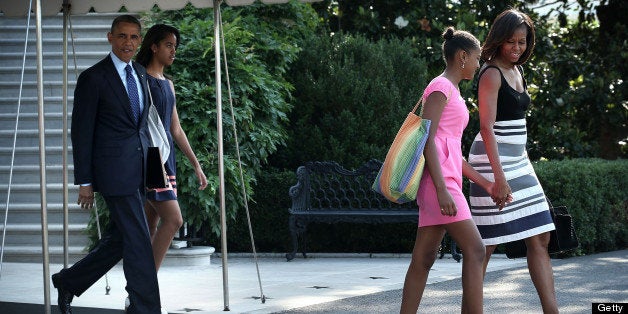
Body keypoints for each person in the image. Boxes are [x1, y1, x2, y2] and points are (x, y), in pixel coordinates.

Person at [51, 15, 161, 314]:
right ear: (110, 37)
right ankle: (145, 308)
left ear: (140, 41)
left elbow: (142, 128)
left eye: (134, 37)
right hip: (113, 173)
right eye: (122, 36)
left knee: (121, 238)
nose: (128, 43)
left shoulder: (139, 72)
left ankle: (68, 281)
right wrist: (84, 181)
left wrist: (153, 171)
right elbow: (81, 132)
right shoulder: (93, 77)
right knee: (139, 240)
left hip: (139, 171)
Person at [400, 27, 499, 314]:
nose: (479, 64)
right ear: (463, 56)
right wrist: (442, 189)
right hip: (439, 184)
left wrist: (486, 183)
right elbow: (427, 139)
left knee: (424, 258)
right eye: (478, 58)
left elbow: (451, 151)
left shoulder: (450, 89)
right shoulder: (440, 87)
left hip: (446, 180)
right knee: (476, 249)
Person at [467, 9, 558, 313]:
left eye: (522, 42)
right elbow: (486, 127)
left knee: (541, 235)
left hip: (519, 161)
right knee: (487, 244)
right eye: (511, 42)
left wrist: (521, 163)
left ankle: (551, 310)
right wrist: (499, 177)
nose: (517, 48)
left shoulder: (517, 70)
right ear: (499, 41)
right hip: (491, 161)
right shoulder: (491, 73)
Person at [135, 24, 208, 272]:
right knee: (174, 219)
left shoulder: (168, 83)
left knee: (150, 223)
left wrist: (196, 165)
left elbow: (175, 129)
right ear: (154, 46)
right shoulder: (139, 79)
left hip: (167, 158)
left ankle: (138, 291)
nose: (173, 51)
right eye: (168, 45)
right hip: (151, 158)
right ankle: (146, 285)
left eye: (175, 47)